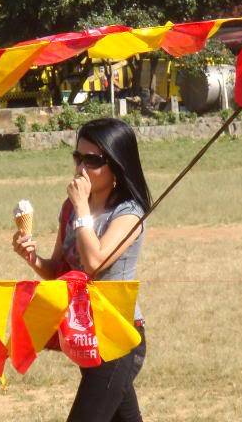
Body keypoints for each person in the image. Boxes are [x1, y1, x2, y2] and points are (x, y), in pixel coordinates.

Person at [12, 117, 151, 422]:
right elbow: (61, 272)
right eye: (78, 157)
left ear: (116, 164)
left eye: (93, 160)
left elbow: (95, 263)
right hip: (83, 333)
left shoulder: (128, 212)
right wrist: (33, 258)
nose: (81, 167)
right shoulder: (71, 207)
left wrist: (83, 210)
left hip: (119, 334)